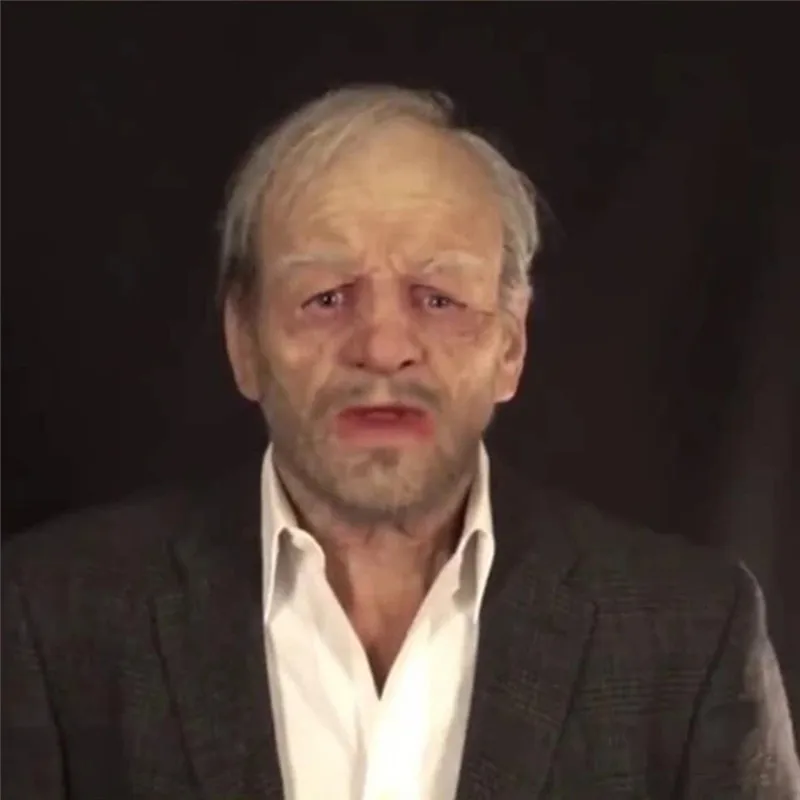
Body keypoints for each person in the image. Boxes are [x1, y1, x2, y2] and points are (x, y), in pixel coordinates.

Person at [3, 85, 799, 800]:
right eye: (326, 297)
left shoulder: (691, 634)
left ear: (511, 346)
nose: (383, 348)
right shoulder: (52, 618)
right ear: (243, 342)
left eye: (438, 298)